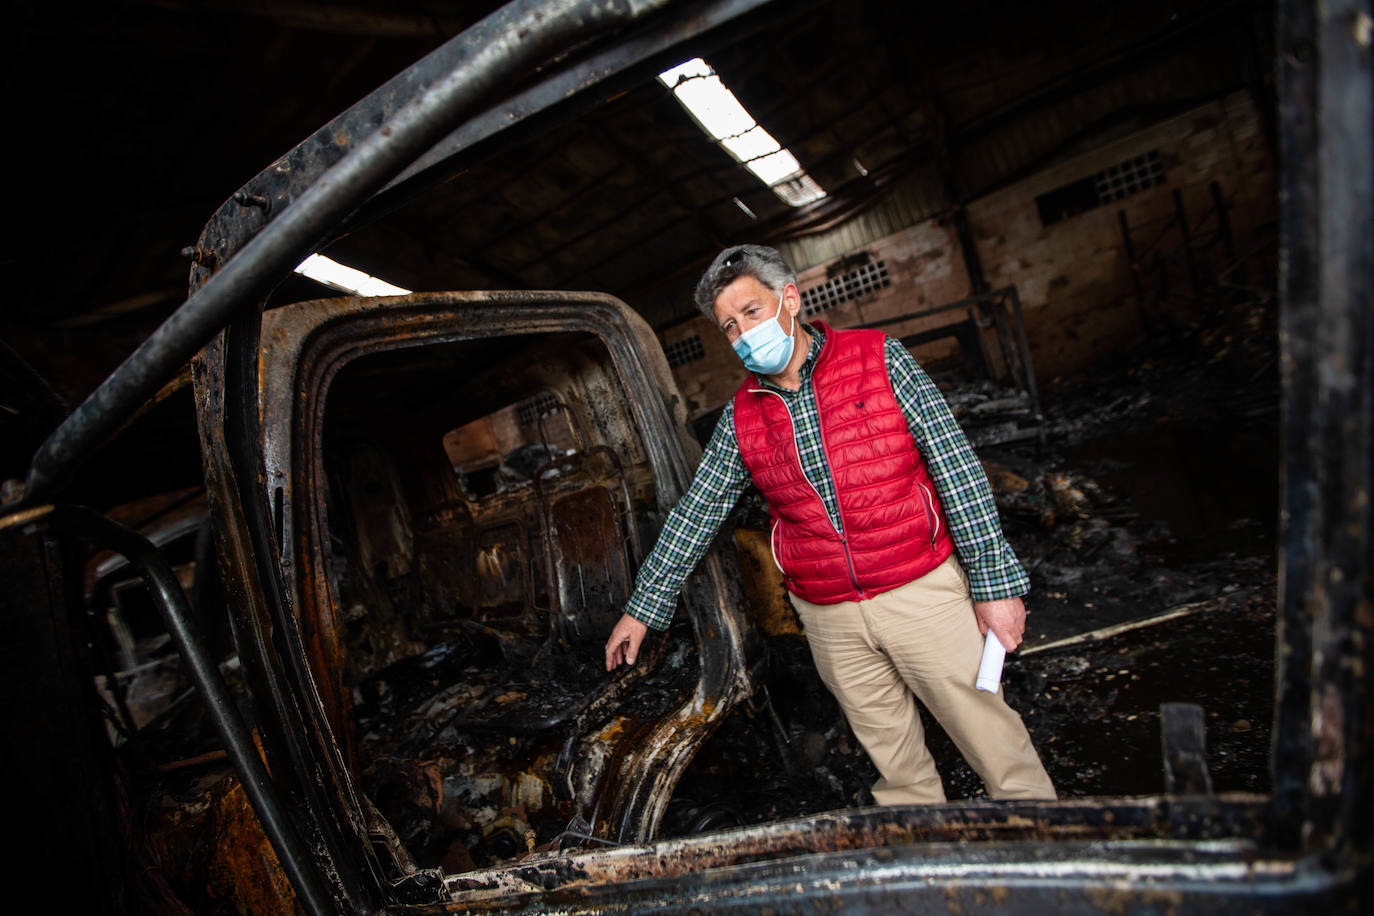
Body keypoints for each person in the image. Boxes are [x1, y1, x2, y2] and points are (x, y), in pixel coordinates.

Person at [604, 244, 1055, 804]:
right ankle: (927, 871)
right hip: (830, 618)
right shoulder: (741, 417)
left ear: (789, 299)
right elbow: (698, 511)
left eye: (751, 312)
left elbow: (957, 469)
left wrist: (997, 587)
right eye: (728, 327)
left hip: (920, 590)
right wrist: (643, 607)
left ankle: (1052, 859)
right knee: (898, 771)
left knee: (996, 745)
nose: (743, 333)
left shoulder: (879, 358)